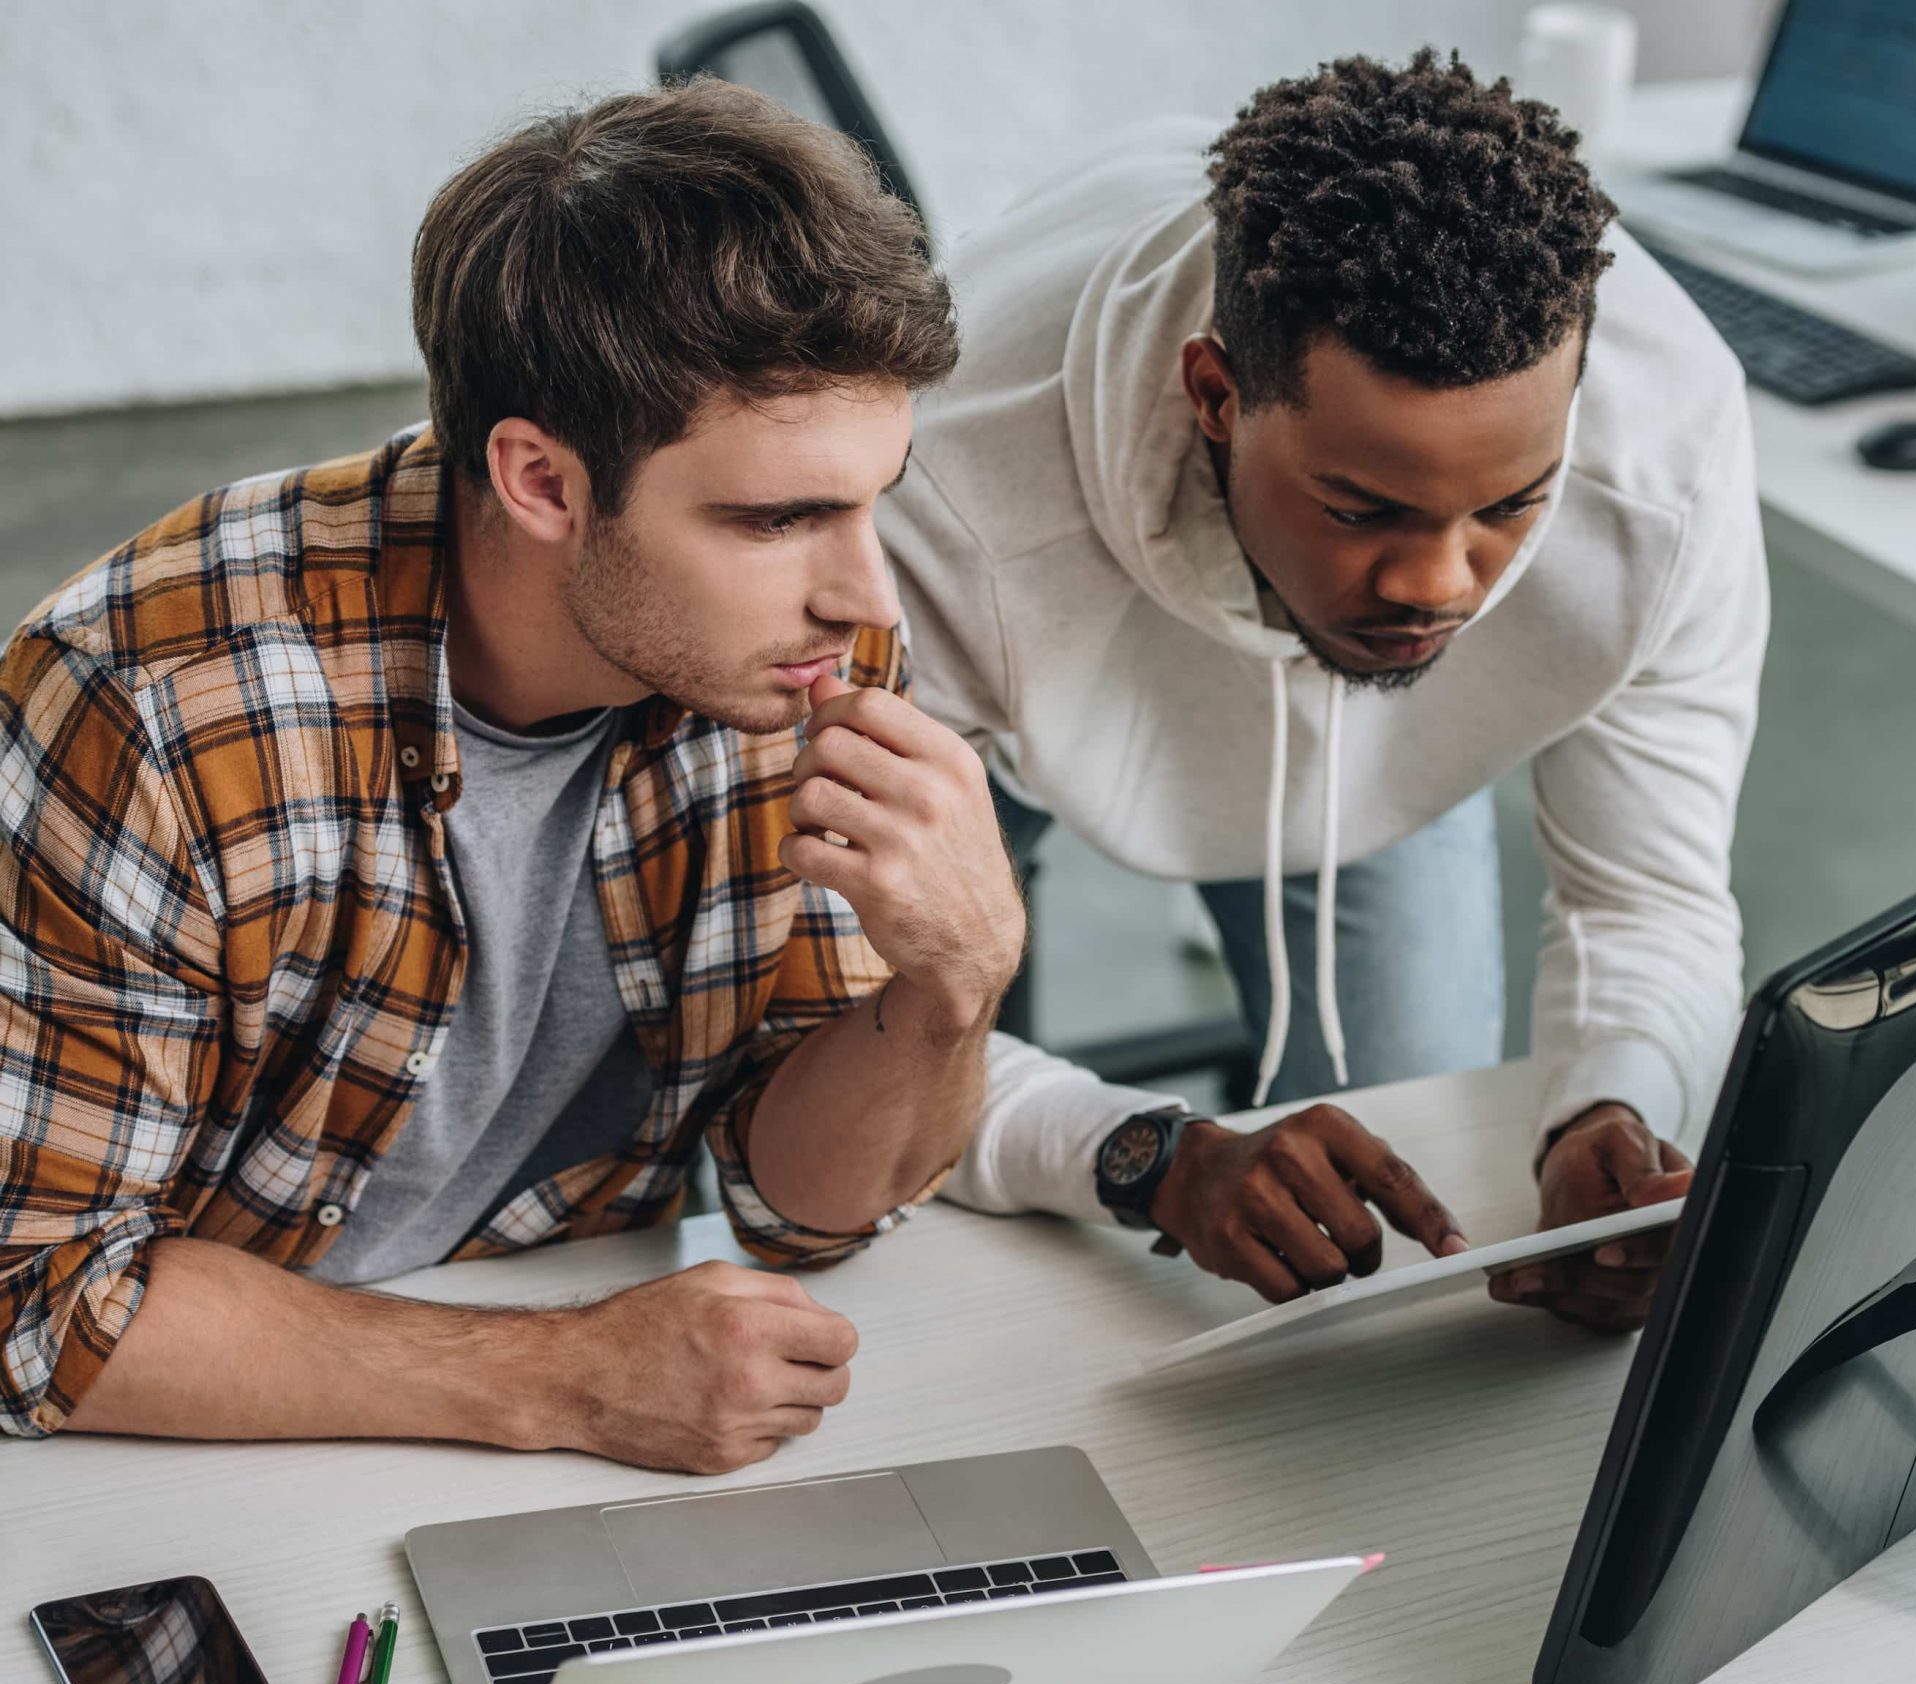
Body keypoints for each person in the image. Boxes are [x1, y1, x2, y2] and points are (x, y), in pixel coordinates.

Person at [0, 82, 1025, 1473]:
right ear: (542, 482)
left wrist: (951, 987)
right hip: (189, 1439)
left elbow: (802, 1209)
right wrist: (566, 1378)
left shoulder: (795, 657)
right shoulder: (158, 712)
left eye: (875, 497)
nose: (866, 594)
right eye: (778, 518)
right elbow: (37, 1300)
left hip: (570, 1391)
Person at [896, 51, 1769, 1332]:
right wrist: (1153, 1158)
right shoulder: (946, 488)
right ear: (1216, 394)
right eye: (1364, 508)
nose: (1439, 585)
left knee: (1404, 1206)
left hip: (1359, 734)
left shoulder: (1666, 458)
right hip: (1009, 693)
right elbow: (831, 1026)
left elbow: (1648, 894)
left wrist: (1616, 1105)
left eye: (1511, 504)